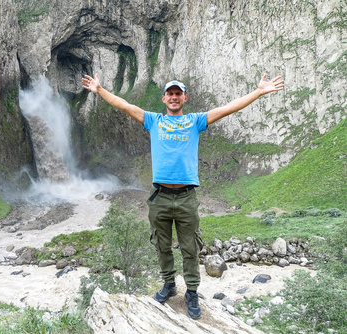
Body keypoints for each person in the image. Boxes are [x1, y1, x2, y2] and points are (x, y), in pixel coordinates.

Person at [82, 73, 284, 319]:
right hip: (160, 196)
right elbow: (125, 105)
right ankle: (169, 284)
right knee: (161, 244)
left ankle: (191, 292)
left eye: (178, 94)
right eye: (170, 93)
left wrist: (258, 92)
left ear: (185, 98)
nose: (174, 97)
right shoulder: (153, 120)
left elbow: (228, 108)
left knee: (190, 248)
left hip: (187, 196)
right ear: (164, 98)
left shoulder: (195, 121)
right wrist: (100, 90)